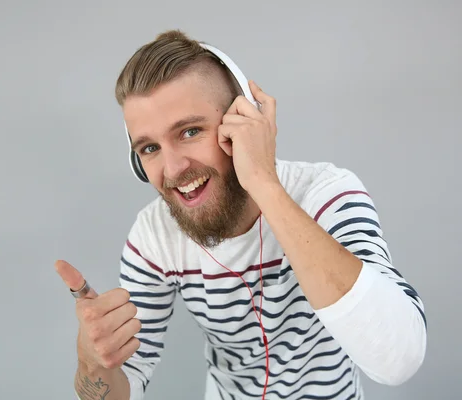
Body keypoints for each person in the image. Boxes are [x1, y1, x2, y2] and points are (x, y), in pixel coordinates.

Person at [56, 29, 427, 400]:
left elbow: (399, 360)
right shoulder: (154, 236)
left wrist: (264, 184)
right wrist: (93, 363)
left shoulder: (327, 195)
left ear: (243, 120)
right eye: (150, 147)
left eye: (189, 131)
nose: (171, 169)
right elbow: (123, 389)